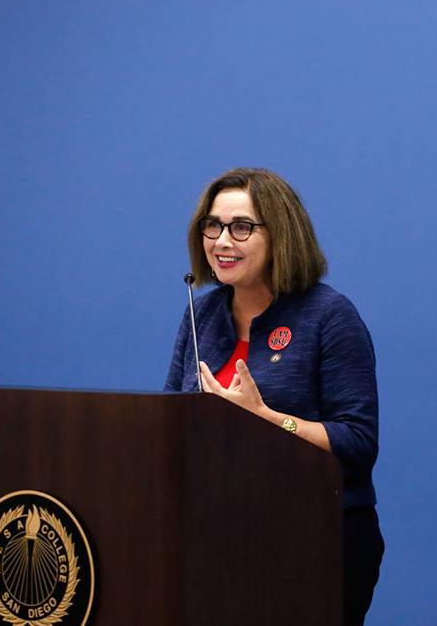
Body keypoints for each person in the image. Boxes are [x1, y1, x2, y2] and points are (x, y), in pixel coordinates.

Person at [164, 167, 383, 625]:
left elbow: (358, 443)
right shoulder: (201, 314)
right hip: (217, 539)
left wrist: (265, 417)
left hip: (315, 539)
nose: (222, 241)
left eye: (241, 227)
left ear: (280, 234)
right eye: (212, 225)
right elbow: (167, 421)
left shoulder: (330, 316)